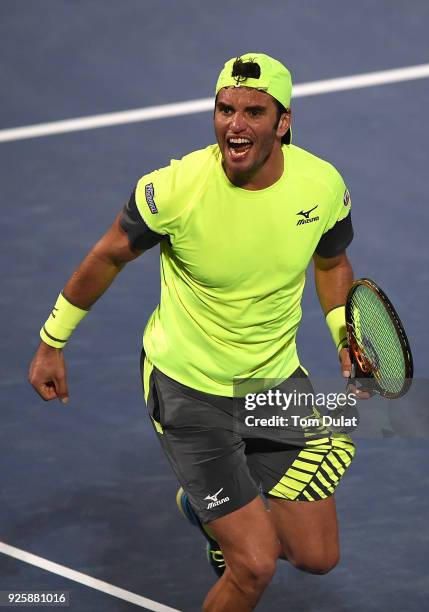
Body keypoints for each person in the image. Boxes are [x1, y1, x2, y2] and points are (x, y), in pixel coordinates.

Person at [29, 52, 360, 611]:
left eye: (254, 112)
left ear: (283, 122)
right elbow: (108, 256)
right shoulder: (175, 188)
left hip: (273, 384)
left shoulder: (321, 185)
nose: (236, 124)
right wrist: (52, 341)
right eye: (225, 109)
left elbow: (330, 265)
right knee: (253, 566)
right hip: (188, 390)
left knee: (316, 556)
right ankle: (227, 529)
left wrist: (343, 334)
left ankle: (200, 511)